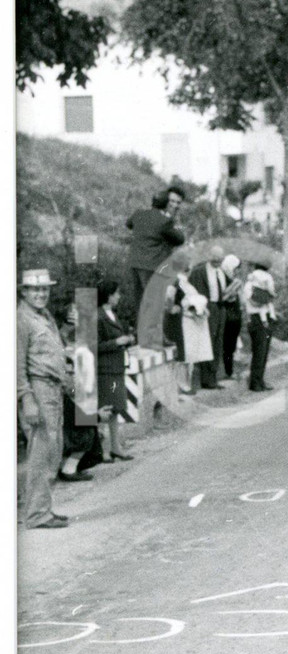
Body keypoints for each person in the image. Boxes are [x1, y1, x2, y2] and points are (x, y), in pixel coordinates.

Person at [17, 268, 74, 528]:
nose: (41, 294)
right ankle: (36, 514)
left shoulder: (43, 316)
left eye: (44, 289)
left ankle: (43, 509)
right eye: (35, 289)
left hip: (52, 389)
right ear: (24, 291)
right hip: (37, 390)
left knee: (52, 449)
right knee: (41, 451)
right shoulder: (20, 319)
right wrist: (26, 398)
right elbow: (15, 365)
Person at [126, 187, 185, 324]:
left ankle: (141, 337)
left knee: (140, 303)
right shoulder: (165, 221)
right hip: (153, 267)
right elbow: (179, 239)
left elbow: (129, 224)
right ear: (165, 204)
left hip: (135, 264)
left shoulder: (139, 214)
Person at [163, 249, 214, 393]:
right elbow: (169, 296)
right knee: (183, 353)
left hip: (188, 321)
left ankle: (186, 384)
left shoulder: (184, 282)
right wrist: (171, 308)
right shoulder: (176, 280)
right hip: (180, 322)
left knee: (188, 354)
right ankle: (182, 385)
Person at [96, 278, 135, 461]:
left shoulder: (111, 314)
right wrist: (116, 342)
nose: (119, 297)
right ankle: (105, 449)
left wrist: (126, 340)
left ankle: (114, 447)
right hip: (106, 369)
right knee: (107, 409)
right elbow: (94, 345)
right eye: (116, 293)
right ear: (108, 295)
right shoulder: (98, 316)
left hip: (116, 366)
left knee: (115, 408)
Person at [188, 245, 228, 389]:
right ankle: (206, 379)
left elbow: (223, 290)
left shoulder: (222, 272)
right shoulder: (199, 271)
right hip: (207, 308)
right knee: (207, 341)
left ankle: (213, 377)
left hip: (221, 307)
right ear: (209, 256)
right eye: (215, 258)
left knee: (218, 342)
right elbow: (192, 291)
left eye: (220, 258)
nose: (217, 261)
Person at [244, 260, 277, 392]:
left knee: (263, 352)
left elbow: (271, 295)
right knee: (259, 351)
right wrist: (266, 297)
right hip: (256, 318)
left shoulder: (256, 286)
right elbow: (254, 302)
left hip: (266, 317)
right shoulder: (249, 287)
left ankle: (260, 380)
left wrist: (267, 297)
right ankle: (255, 382)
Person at [219, 254, 244, 379]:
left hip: (235, 315)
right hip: (227, 315)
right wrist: (233, 289)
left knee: (232, 344)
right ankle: (228, 371)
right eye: (235, 268)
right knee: (227, 345)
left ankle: (229, 369)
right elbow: (221, 297)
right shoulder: (222, 278)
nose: (237, 271)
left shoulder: (233, 278)